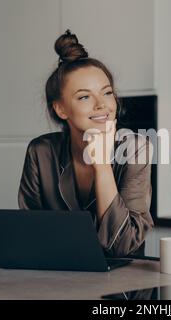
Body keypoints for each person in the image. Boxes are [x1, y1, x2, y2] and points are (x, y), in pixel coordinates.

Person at [18, 30, 154, 258]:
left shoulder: (135, 149)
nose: (102, 105)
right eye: (84, 97)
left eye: (107, 93)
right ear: (60, 109)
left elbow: (123, 246)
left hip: (122, 286)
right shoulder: (40, 152)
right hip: (58, 281)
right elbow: (31, 234)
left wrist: (101, 166)